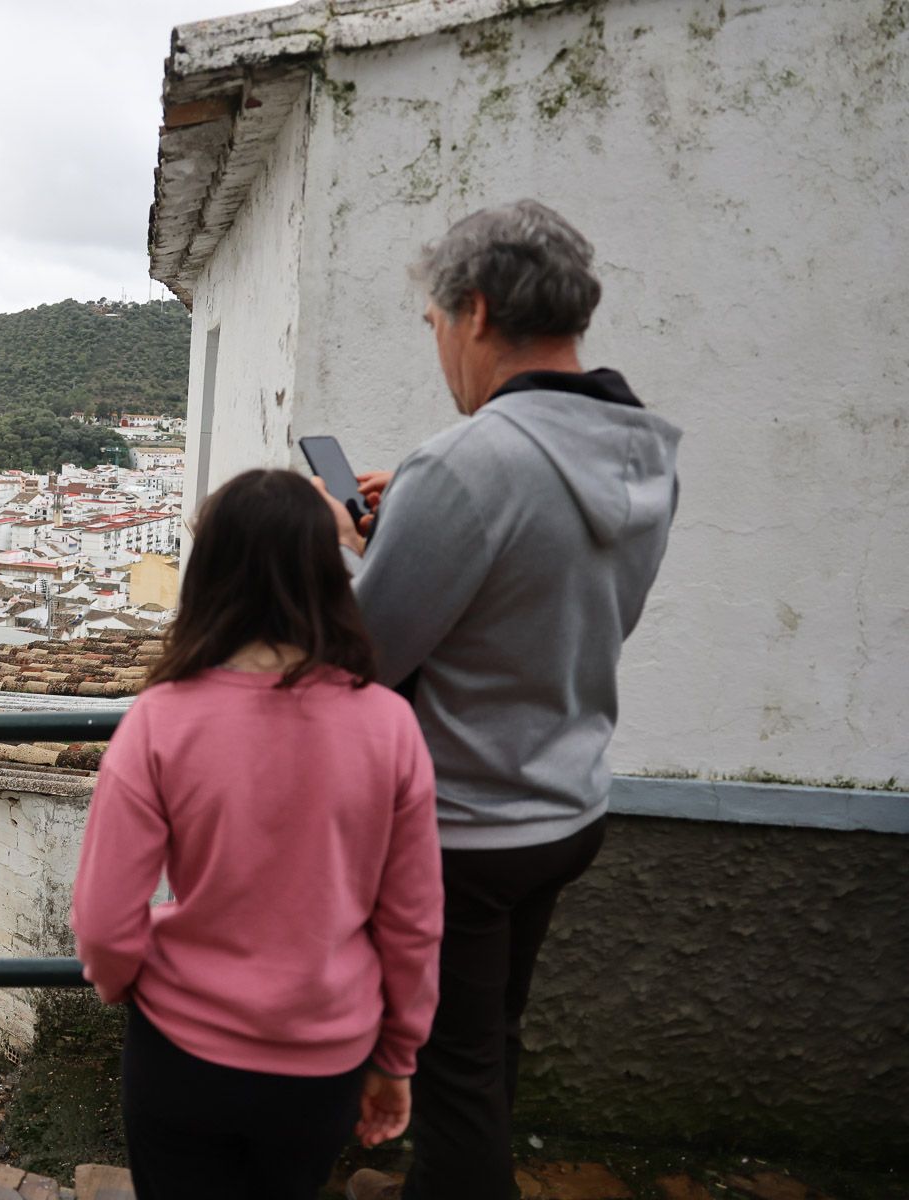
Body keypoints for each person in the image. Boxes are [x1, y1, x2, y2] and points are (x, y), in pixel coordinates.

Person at [329, 201, 682, 1200]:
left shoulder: (468, 463)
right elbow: (562, 602)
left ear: (475, 312)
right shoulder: (641, 453)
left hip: (465, 827)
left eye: (436, 325)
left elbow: (367, 654)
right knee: (491, 1038)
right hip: (568, 802)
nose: (442, 350)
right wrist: (402, 535)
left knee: (457, 1077)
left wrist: (339, 546)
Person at [70, 468, 444, 1199]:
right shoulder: (388, 725)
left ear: (207, 573)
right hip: (322, 1057)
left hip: (182, 1048)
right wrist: (397, 1057)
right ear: (329, 574)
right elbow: (413, 921)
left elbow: (105, 922)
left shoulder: (162, 719)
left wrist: (124, 987)